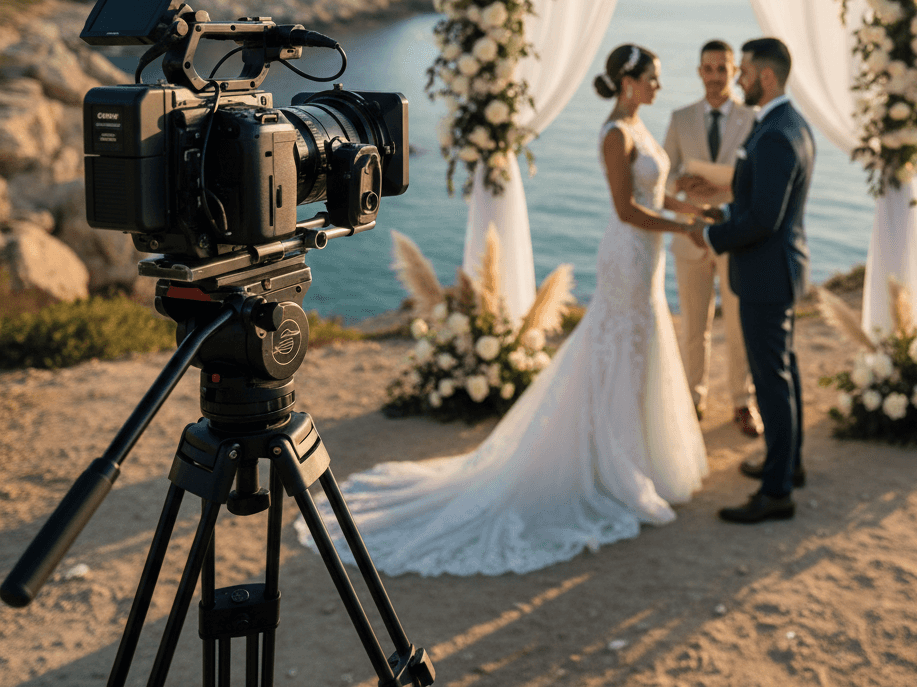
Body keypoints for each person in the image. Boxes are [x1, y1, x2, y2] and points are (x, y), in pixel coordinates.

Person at [297, 44, 709, 576]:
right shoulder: (615, 134)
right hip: (628, 253)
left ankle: (643, 455)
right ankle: (617, 464)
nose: (658, 84)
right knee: (620, 346)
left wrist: (694, 209)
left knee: (641, 347)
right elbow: (628, 209)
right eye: (652, 77)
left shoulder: (638, 124)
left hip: (646, 258)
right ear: (629, 82)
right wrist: (684, 229)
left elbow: (655, 191)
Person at [682, 37, 814, 524]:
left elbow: (764, 218)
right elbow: (759, 203)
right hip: (778, 269)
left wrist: (712, 234)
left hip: (765, 274)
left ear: (767, 77)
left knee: (770, 382)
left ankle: (777, 491)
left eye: (745, 72)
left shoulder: (776, 134)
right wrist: (723, 212)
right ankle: (789, 465)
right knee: (784, 372)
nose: (737, 80)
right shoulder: (787, 123)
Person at [663, 40, 760, 436]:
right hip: (691, 236)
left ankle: (742, 401)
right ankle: (692, 398)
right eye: (709, 68)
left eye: (723, 68)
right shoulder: (681, 118)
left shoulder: (752, 118)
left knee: (739, 324)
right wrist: (681, 184)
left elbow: (758, 180)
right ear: (700, 72)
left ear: (734, 71)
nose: (715, 76)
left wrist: (729, 188)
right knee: (693, 325)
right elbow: (662, 175)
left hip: (735, 236)